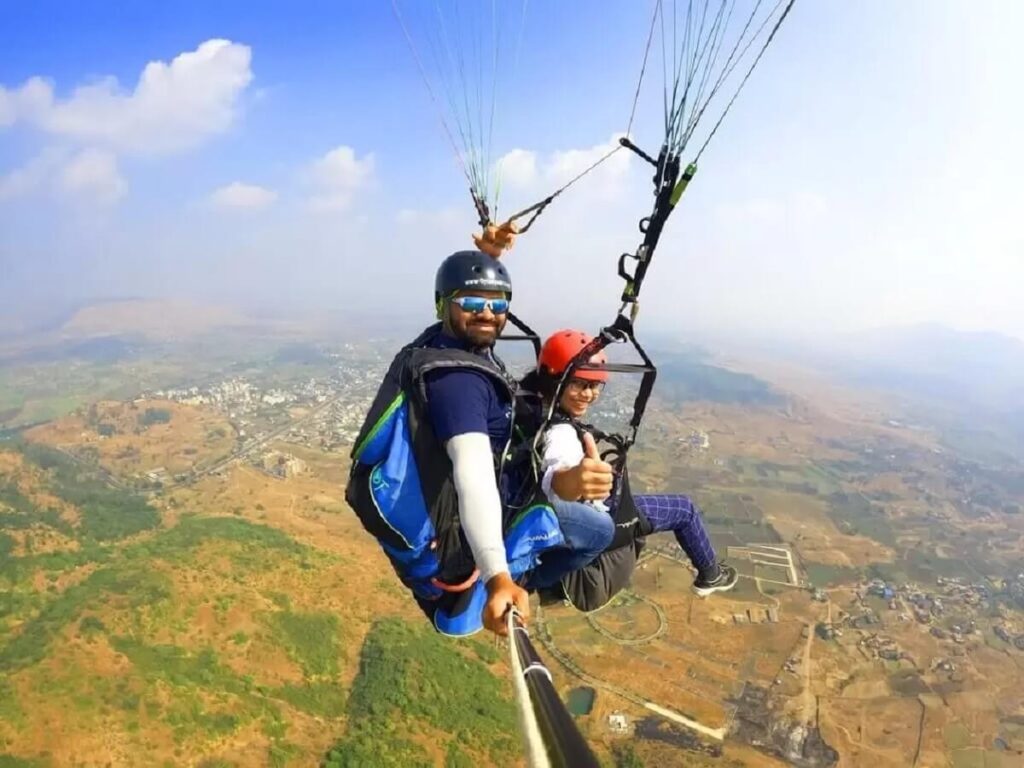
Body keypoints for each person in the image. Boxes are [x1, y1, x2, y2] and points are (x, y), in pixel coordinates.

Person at [529, 329, 739, 597]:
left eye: (595, 385)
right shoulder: (560, 434)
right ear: (554, 380)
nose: (589, 394)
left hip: (581, 516)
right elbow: (559, 474)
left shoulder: (534, 407)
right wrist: (577, 481)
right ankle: (711, 576)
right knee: (684, 509)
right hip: (603, 519)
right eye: (579, 384)